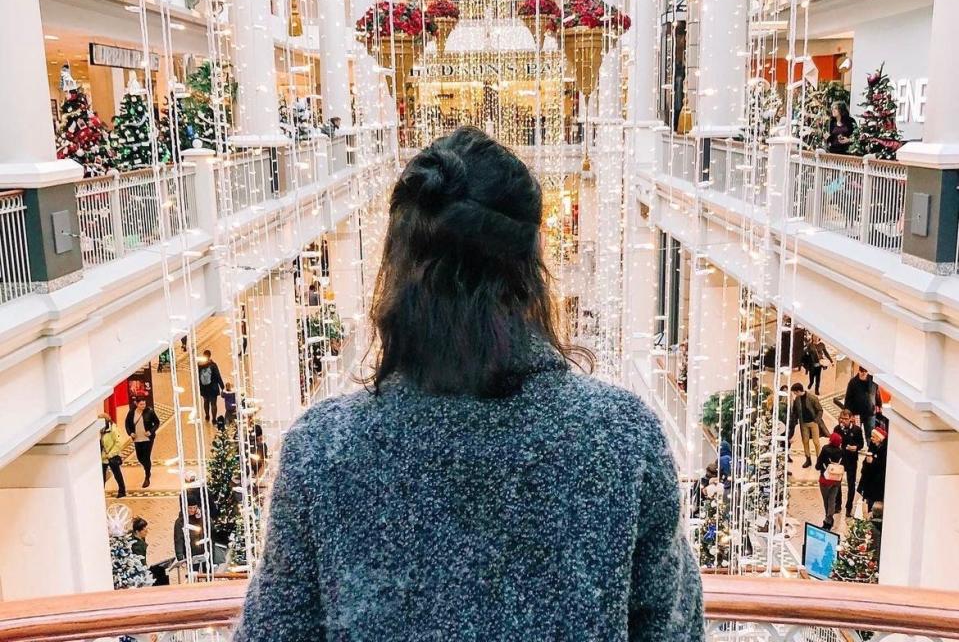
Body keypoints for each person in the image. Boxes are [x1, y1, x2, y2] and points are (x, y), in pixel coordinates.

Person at [236, 127, 704, 641]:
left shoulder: (323, 449)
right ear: (529, 266)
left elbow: (274, 630)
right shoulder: (621, 437)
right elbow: (672, 628)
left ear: (398, 265)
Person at [834, 409, 865, 517]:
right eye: (841, 418)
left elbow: (861, 444)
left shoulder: (856, 430)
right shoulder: (837, 429)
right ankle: (837, 505)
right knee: (837, 483)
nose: (843, 421)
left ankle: (849, 507)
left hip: (851, 460)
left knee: (851, 485)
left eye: (846, 419)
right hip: (840, 460)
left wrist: (855, 447)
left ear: (851, 419)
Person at [125, 399, 160, 488]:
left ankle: (147, 477)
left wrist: (151, 431)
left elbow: (156, 423)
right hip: (137, 439)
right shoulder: (131, 413)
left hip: (148, 439)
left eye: (144, 404)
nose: (143, 406)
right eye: (141, 404)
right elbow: (127, 424)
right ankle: (147, 468)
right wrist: (130, 433)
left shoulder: (150, 412)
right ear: (136, 404)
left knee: (146, 457)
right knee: (139, 457)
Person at [791, 382, 826, 468]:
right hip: (804, 424)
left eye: (795, 392)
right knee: (805, 441)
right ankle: (808, 459)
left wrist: (816, 420)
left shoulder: (812, 398)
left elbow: (820, 410)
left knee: (816, 442)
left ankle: (819, 460)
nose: (794, 394)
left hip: (813, 423)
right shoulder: (797, 399)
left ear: (799, 391)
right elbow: (795, 412)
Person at [815, 432, 845, 530]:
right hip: (836, 480)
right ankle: (829, 518)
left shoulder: (825, 449)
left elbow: (818, 464)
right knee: (832, 499)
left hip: (825, 480)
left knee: (826, 500)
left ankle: (828, 520)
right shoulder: (841, 451)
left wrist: (819, 467)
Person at [858, 425, 888, 513]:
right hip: (869, 479)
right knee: (868, 502)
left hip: (878, 482)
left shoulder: (885, 450)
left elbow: (882, 465)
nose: (871, 438)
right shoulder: (873, 446)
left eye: (873, 437)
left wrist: (873, 461)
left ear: (879, 438)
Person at [132, 516, 169, 586]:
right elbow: (141, 562)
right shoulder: (136, 546)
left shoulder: (141, 539)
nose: (147, 532)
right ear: (137, 532)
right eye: (144, 530)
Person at [845, 365, 879, 441]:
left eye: (865, 372)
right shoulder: (853, 382)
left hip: (870, 413)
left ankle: (870, 450)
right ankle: (856, 447)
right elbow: (848, 399)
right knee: (856, 432)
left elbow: (876, 394)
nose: (863, 373)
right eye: (861, 371)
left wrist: (878, 405)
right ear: (859, 371)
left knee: (870, 434)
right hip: (857, 414)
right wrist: (848, 413)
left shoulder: (873, 381)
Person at [99, 413, 126, 498]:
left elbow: (118, 443)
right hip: (103, 456)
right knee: (101, 475)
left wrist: (110, 454)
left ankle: (122, 491)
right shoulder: (102, 429)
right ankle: (101, 492)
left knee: (117, 473)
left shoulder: (113, 429)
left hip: (112, 456)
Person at [197, 349, 224, 423]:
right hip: (213, 387)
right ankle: (214, 419)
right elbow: (218, 376)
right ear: (209, 356)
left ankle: (207, 415)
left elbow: (197, 376)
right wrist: (222, 387)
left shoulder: (199, 365)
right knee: (213, 403)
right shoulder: (213, 365)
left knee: (206, 401)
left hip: (204, 387)